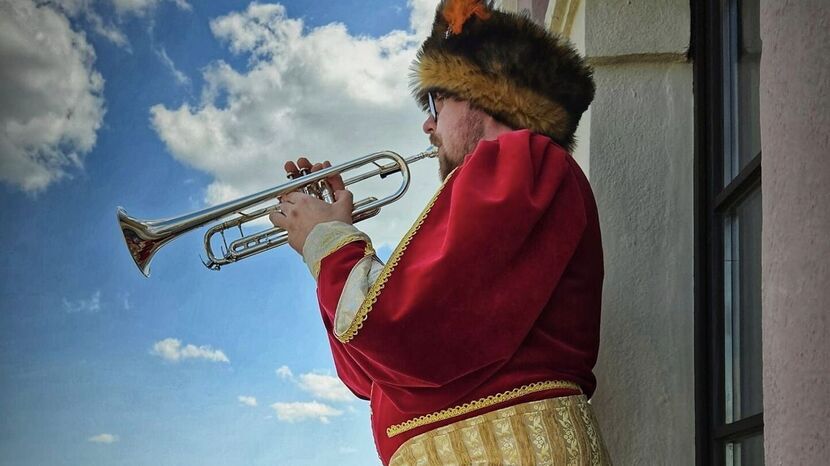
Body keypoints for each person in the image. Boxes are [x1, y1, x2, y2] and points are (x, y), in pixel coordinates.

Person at [270, 1, 611, 464]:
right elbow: (369, 375)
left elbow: (404, 331)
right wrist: (327, 240)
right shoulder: (492, 181)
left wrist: (331, 244)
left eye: (435, 101)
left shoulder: (523, 161)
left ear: (480, 92)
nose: (427, 124)